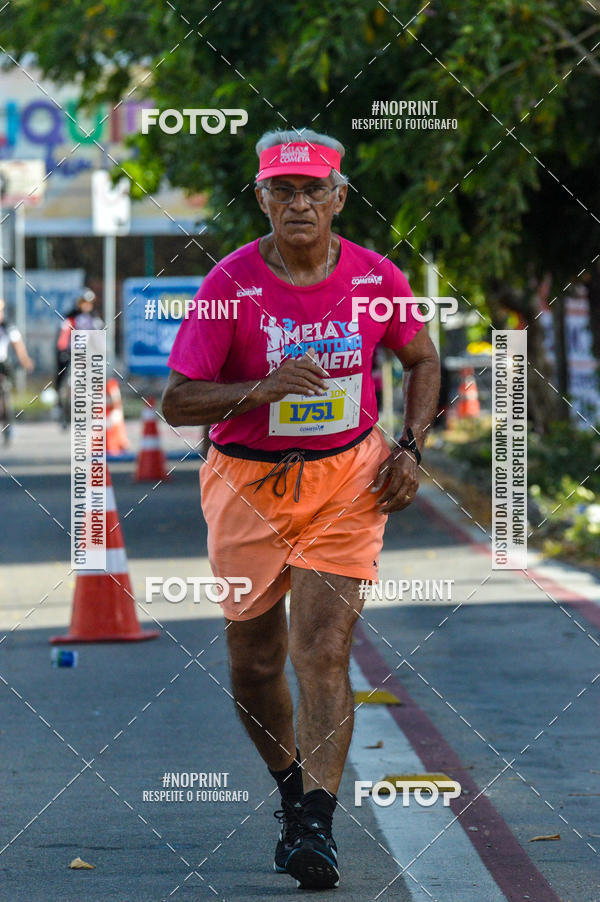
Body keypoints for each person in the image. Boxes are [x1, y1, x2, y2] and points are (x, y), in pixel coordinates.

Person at [162, 128, 440, 890]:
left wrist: (410, 446)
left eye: (314, 189)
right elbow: (178, 402)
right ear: (261, 197)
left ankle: (317, 824)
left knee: (321, 649)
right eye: (282, 191)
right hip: (246, 486)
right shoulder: (230, 285)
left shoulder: (377, 278)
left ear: (339, 196)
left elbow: (421, 358)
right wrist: (262, 386)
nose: (299, 204)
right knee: (253, 667)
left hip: (348, 482)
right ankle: (291, 793)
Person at [54, 288, 103, 393]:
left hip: (87, 353)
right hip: (70, 352)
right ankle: (59, 399)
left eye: (89, 303)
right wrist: (62, 350)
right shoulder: (70, 318)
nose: (87, 305)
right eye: (84, 302)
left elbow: (98, 337)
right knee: (62, 371)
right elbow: (64, 336)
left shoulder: (95, 319)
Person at [0, 297, 34, 444]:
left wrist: (25, 360)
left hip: (2, 364)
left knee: (4, 393)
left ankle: (8, 425)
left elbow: (18, 345)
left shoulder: (8, 326)